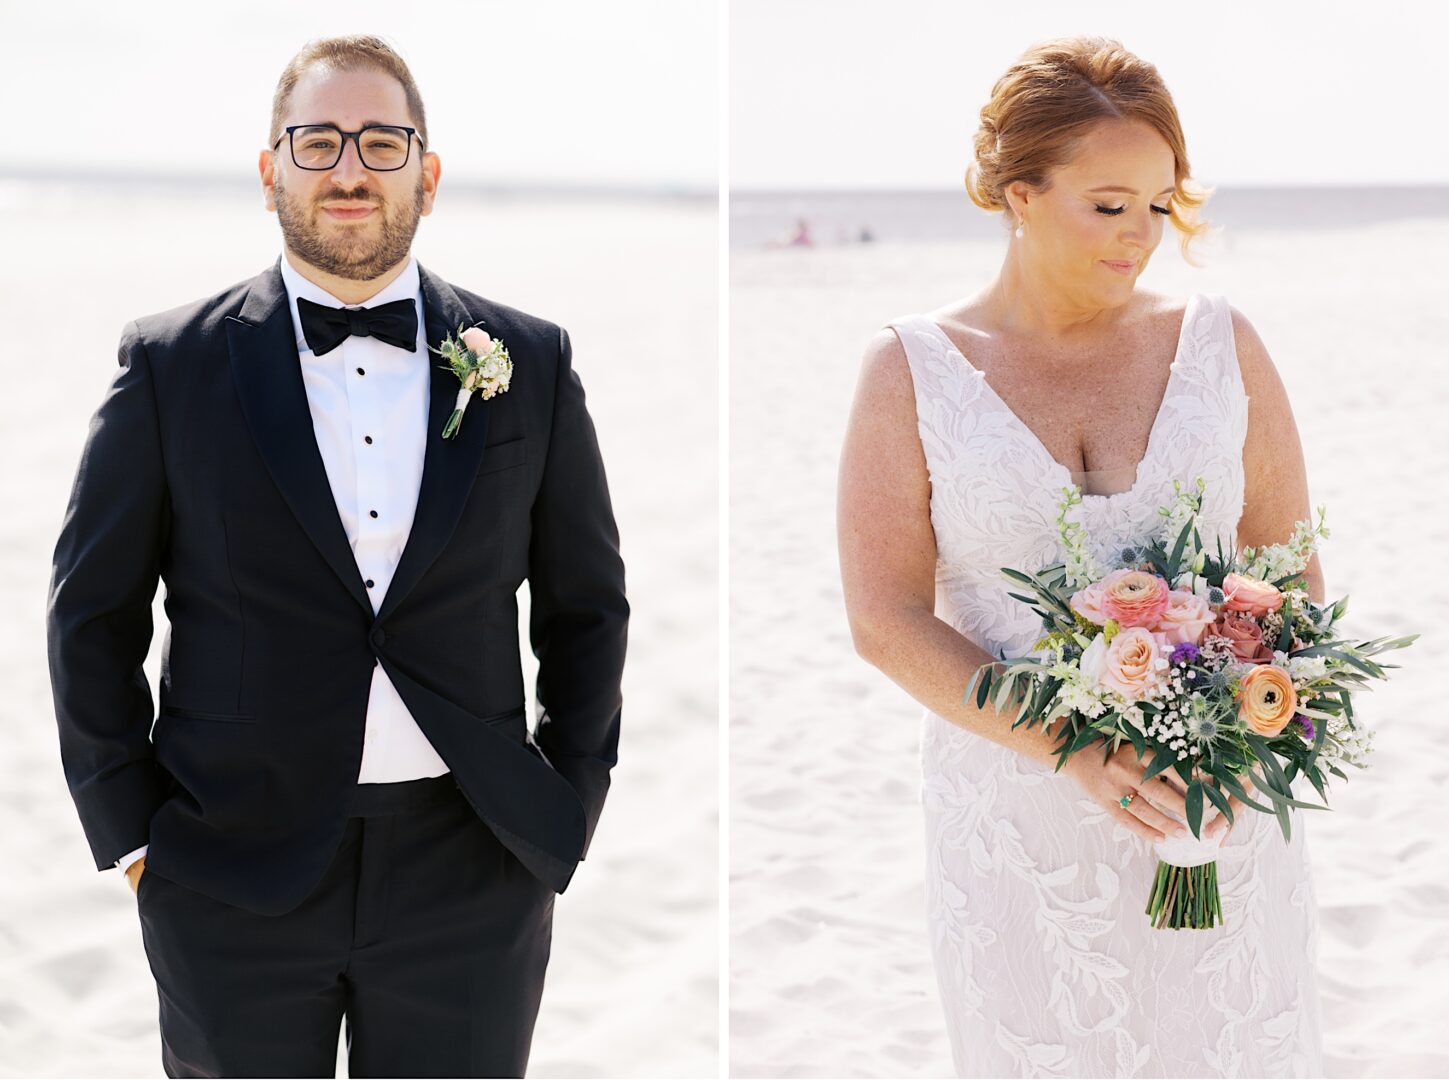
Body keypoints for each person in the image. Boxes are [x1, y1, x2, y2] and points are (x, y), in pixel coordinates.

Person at [46, 34, 628, 1078]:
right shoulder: (170, 367)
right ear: (271, 170)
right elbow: (91, 614)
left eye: (381, 140)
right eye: (318, 142)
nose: (351, 168)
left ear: (428, 174)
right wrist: (132, 837)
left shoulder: (528, 361)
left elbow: (588, 607)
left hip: (474, 866)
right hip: (229, 866)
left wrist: (567, 803)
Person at [837, 36, 1322, 1077]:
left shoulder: (1222, 346)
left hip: (1217, 817)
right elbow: (883, 616)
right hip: (1018, 837)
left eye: (1159, 204)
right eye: (1109, 205)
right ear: (1020, 192)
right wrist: (1075, 746)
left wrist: (1242, 743)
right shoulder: (912, 370)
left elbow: (1289, 576)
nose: (1142, 236)